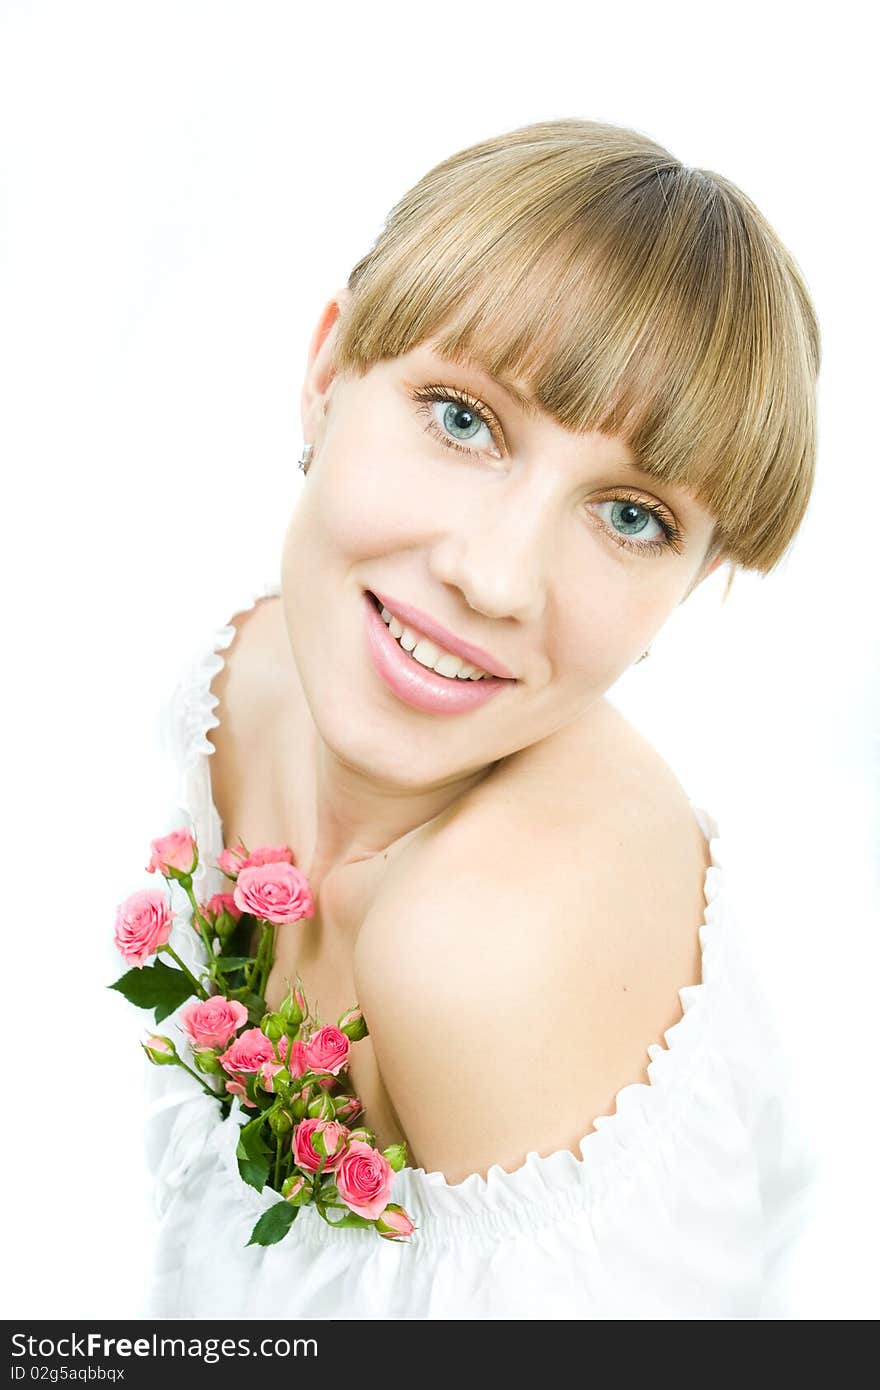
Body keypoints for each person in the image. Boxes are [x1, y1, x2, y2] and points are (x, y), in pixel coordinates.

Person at [141, 117, 820, 1319]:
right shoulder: (211, 684)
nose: (496, 578)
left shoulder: (488, 943)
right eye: (463, 418)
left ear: (697, 583)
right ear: (327, 369)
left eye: (630, 517)